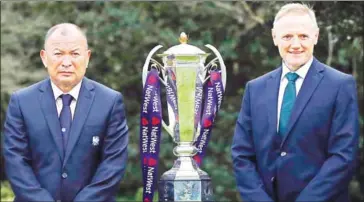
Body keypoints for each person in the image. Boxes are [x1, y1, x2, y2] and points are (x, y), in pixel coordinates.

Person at [231, 3, 359, 202]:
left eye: (303, 36)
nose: (296, 44)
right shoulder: (255, 89)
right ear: (275, 37)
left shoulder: (340, 86)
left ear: (315, 36)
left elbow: (343, 157)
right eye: (287, 36)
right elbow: (242, 155)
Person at [3, 23, 129, 202]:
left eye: (75, 54)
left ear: (87, 57)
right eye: (58, 53)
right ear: (44, 57)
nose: (67, 62)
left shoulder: (109, 101)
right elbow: (16, 161)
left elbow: (113, 164)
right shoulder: (22, 102)